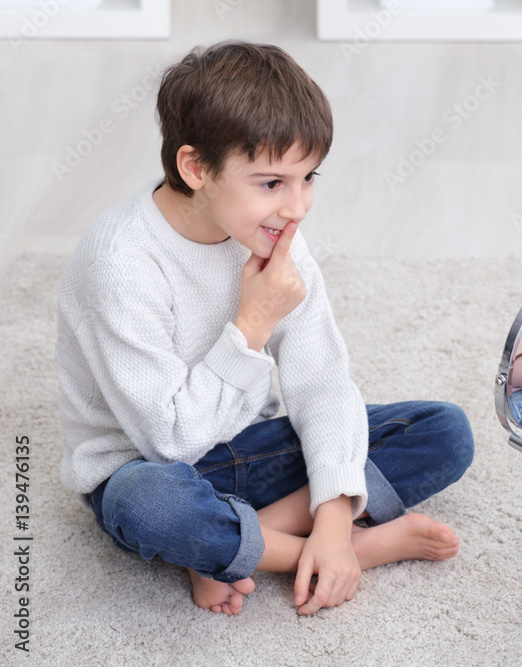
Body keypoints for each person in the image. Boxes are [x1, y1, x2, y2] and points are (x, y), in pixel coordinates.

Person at [54, 41, 474, 617]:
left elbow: (322, 381)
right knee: (151, 506)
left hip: (242, 448)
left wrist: (331, 517)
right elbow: (171, 443)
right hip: (147, 462)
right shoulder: (120, 264)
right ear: (195, 168)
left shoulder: (275, 236)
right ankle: (312, 547)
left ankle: (245, 547)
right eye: (272, 183)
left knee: (443, 431)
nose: (298, 207)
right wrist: (252, 322)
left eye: (308, 178)